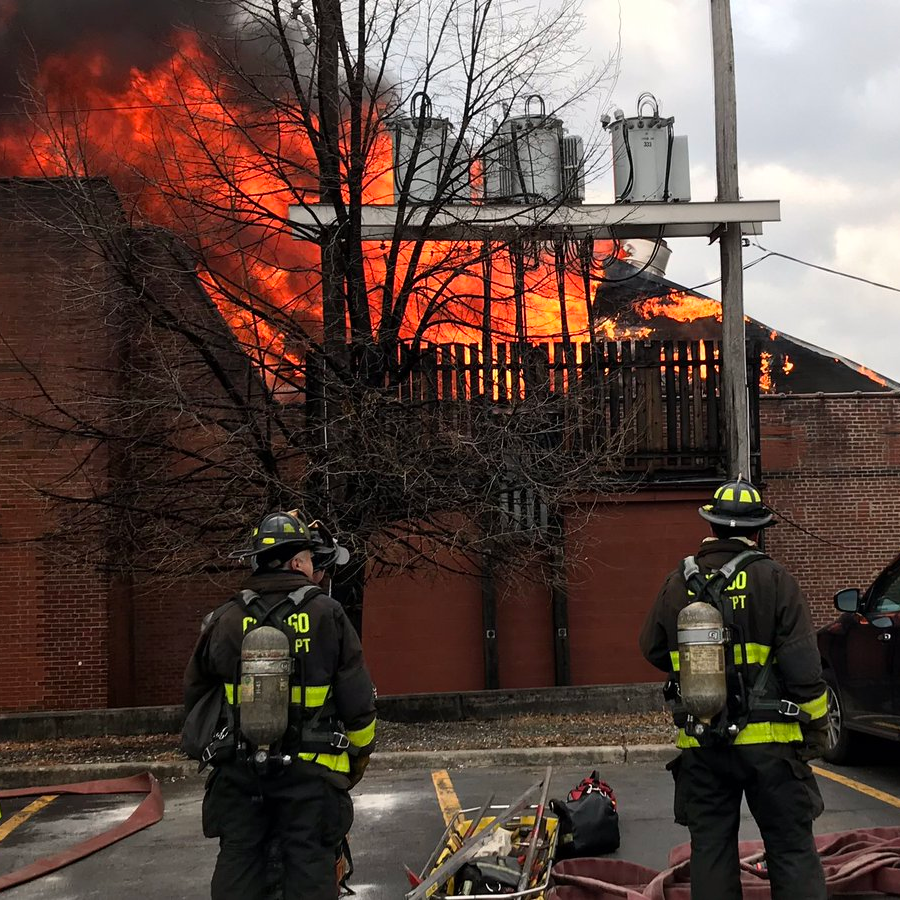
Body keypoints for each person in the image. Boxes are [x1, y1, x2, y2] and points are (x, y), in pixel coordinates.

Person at [639, 477, 828, 900]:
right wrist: (815, 728)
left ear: (712, 527)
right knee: (791, 849)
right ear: (757, 530)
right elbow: (803, 668)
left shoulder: (677, 584)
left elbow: (650, 647)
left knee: (711, 851)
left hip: (703, 744)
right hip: (772, 748)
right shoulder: (775, 580)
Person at [184, 510, 376, 900]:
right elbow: (358, 702)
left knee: (238, 859)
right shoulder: (327, 614)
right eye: (309, 559)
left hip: (240, 775)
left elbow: (196, 696)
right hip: (311, 777)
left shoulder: (225, 618)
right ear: (297, 562)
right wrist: (355, 760)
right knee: (309, 865)